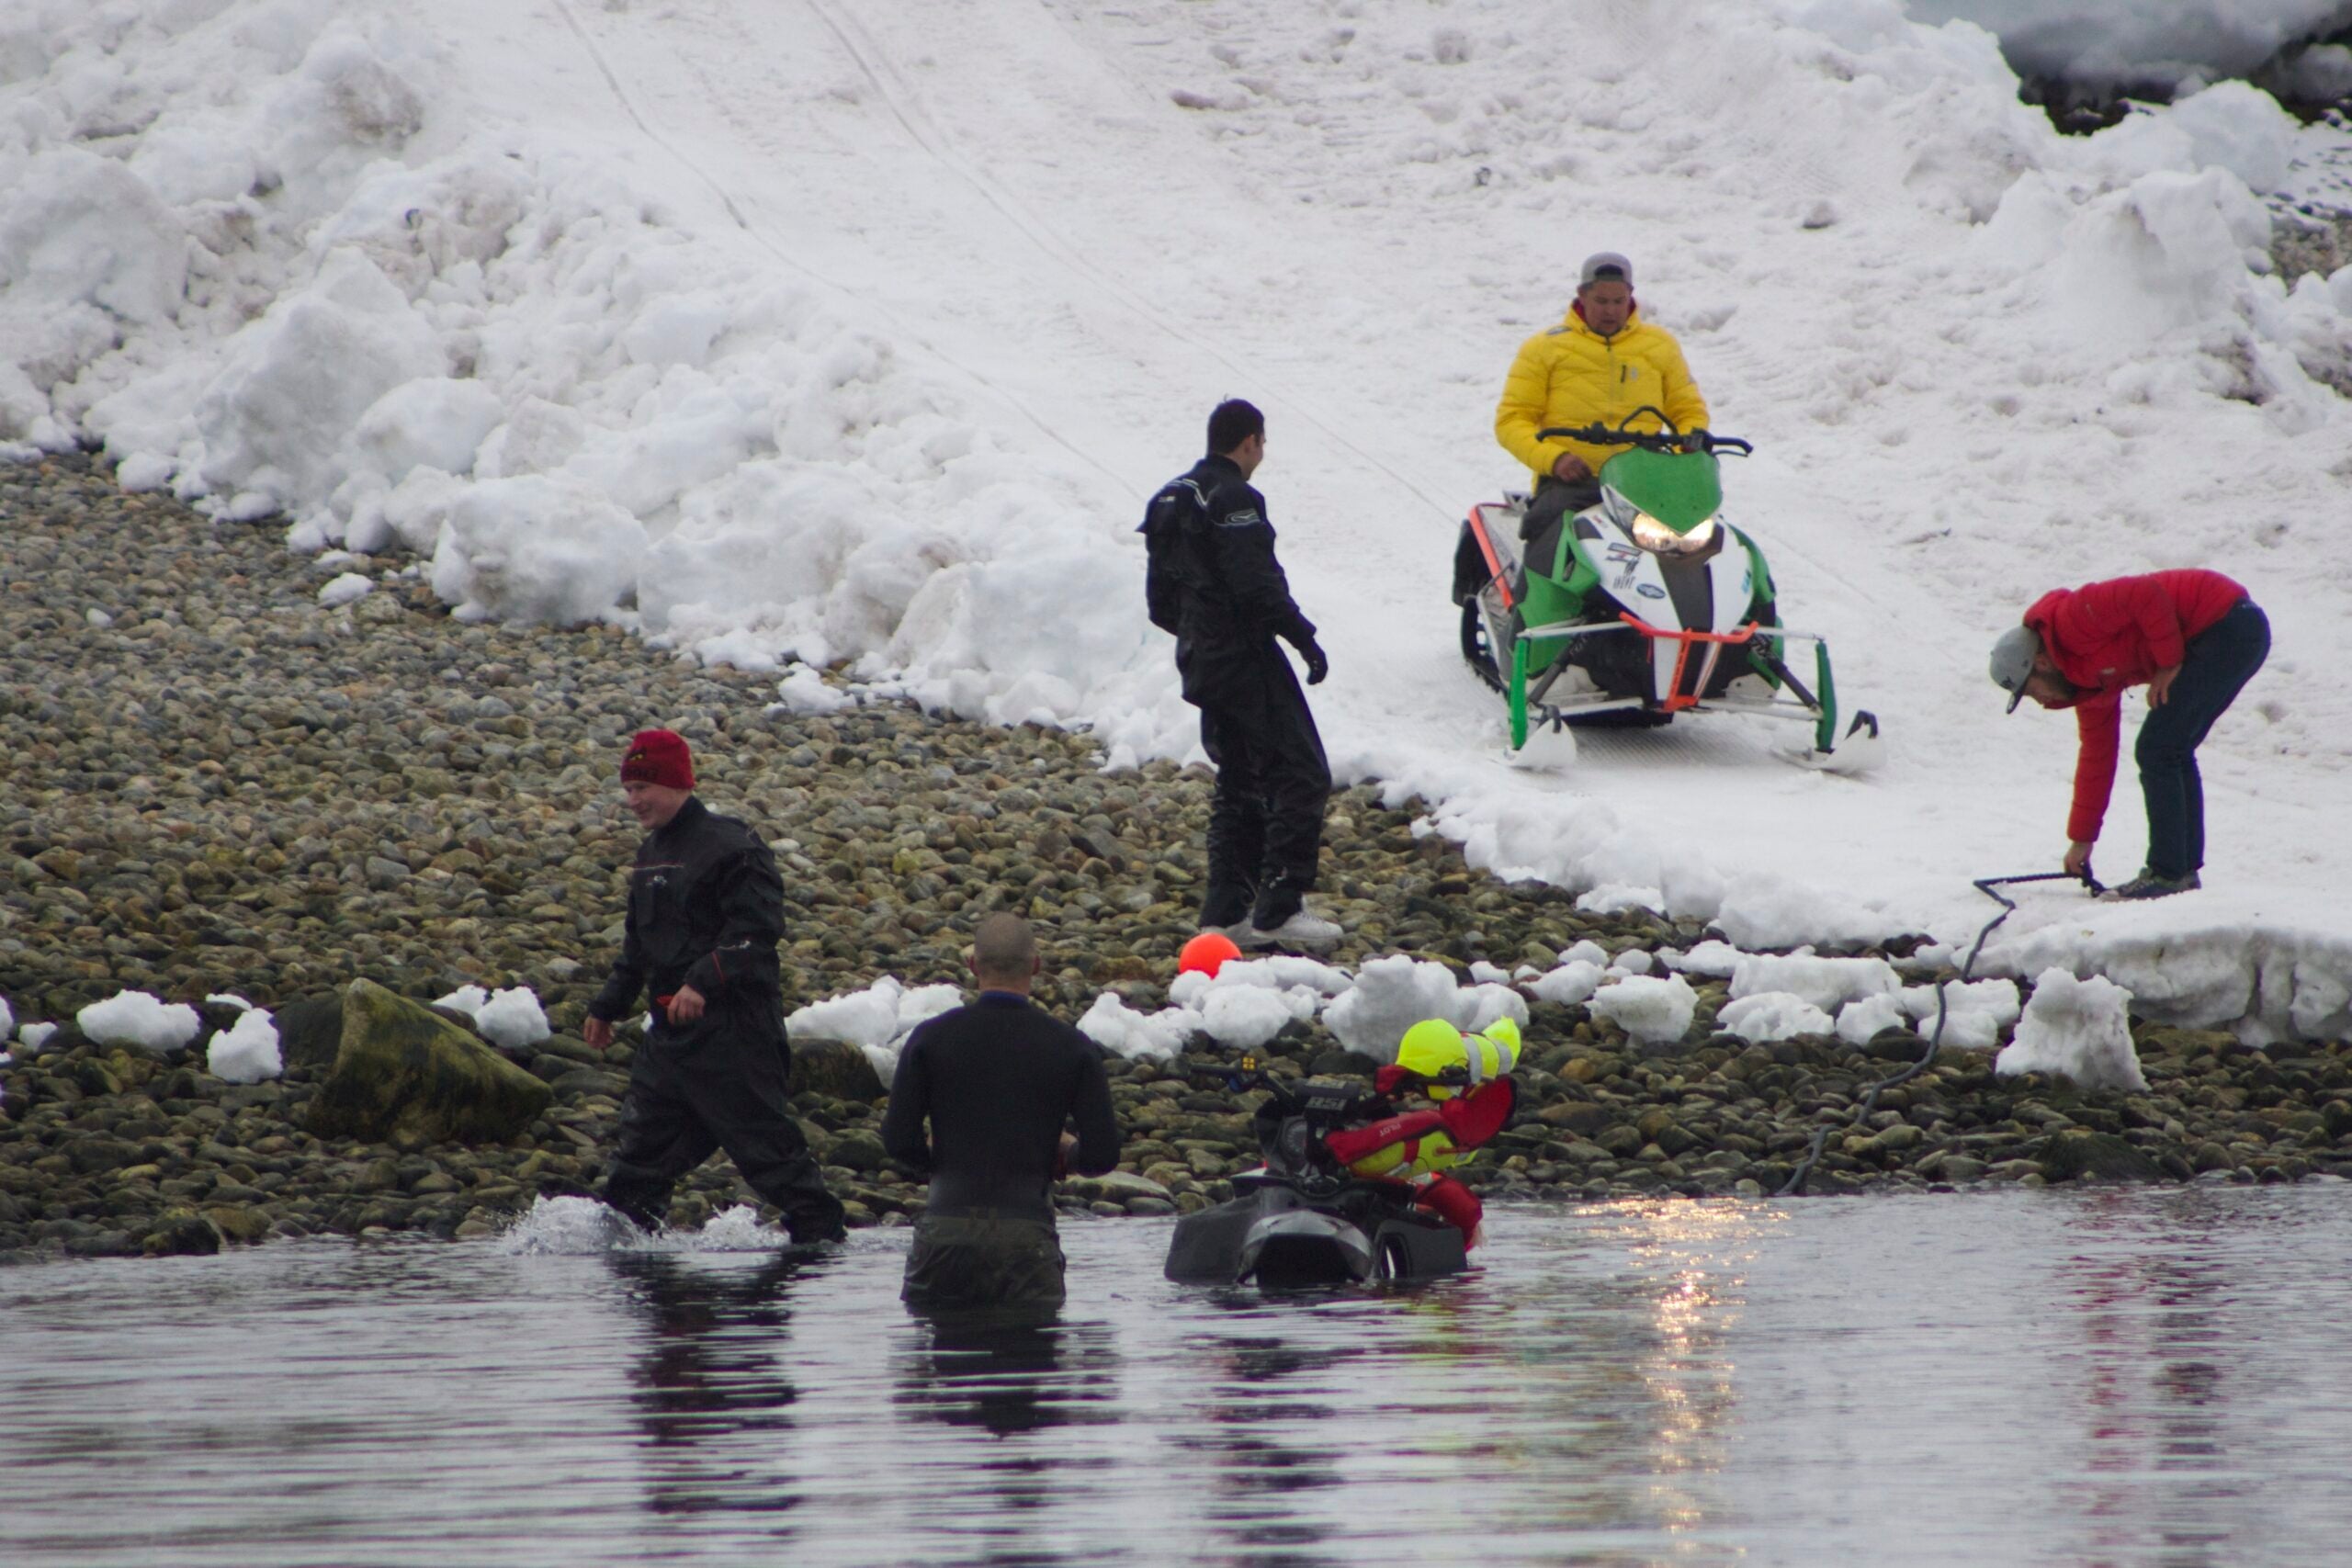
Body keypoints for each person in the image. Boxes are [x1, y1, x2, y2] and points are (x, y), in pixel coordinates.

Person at [582, 728, 845, 1243]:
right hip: (670, 1042)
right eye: (628, 789)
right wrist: (607, 1007)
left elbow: (757, 933)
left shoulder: (732, 845)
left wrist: (702, 983)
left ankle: (824, 1255)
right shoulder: (649, 855)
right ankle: (636, 1279)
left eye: (643, 789)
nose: (632, 801)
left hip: (735, 1037)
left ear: (677, 784)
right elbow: (638, 948)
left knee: (773, 1161)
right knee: (636, 1171)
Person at [1139, 397, 1339, 951]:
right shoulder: (1234, 498)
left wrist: (1197, 634)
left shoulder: (1169, 496)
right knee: (1302, 772)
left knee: (1240, 779)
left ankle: (1225, 912)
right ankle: (1279, 907)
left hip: (1200, 658)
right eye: (1262, 444)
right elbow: (1258, 586)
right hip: (1241, 654)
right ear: (1250, 442)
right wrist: (1304, 639)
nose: (1261, 455)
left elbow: (1159, 602)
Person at [880, 914, 1122, 1308]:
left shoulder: (929, 1038)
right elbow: (1103, 1155)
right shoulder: (1071, 1046)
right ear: (1037, 966)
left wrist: (942, 1156)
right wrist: (1065, 1152)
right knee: (1032, 1360)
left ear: (973, 965)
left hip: (945, 1233)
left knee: (944, 1355)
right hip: (1026, 1239)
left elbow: (898, 1141)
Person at [1988, 570, 2270, 900]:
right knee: (2170, 747)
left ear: (2041, 663)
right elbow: (2097, 757)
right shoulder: (2087, 684)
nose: (2041, 702)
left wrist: (2168, 662)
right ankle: (2181, 871)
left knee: (2159, 748)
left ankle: (2168, 874)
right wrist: (2081, 840)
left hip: (2225, 623)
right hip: (2226, 632)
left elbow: (2143, 593)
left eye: (2032, 691)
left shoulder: (2072, 620)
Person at [1492, 252, 1712, 560]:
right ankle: (1529, 609)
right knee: (1546, 546)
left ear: (1630, 297)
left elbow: (1687, 410)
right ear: (1582, 296)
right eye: (1601, 301)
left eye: (1618, 301)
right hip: (1573, 483)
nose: (1610, 311)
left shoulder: (1660, 346)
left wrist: (1689, 441)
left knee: (1705, 546)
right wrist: (1555, 460)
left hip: (1646, 482)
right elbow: (1512, 421)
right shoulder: (1544, 349)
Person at [1322, 1017, 1521, 1248]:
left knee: (1452, 1195)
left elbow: (1413, 1129)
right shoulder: (1448, 1060)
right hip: (1451, 1073)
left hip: (1455, 1118)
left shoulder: (1454, 1117)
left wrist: (1332, 1144)